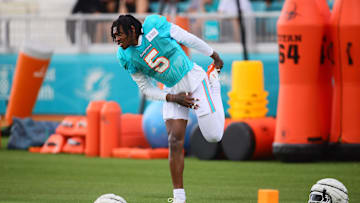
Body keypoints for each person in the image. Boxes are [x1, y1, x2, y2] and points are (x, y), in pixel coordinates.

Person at [111, 14, 225, 203]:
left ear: (132, 30)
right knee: (174, 140)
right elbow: (146, 88)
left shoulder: (154, 26)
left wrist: (213, 55)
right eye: (114, 37)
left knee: (214, 136)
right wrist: (173, 98)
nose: (117, 40)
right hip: (173, 90)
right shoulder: (125, 56)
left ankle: (213, 82)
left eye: (119, 35)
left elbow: (187, 38)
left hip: (194, 80)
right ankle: (179, 197)